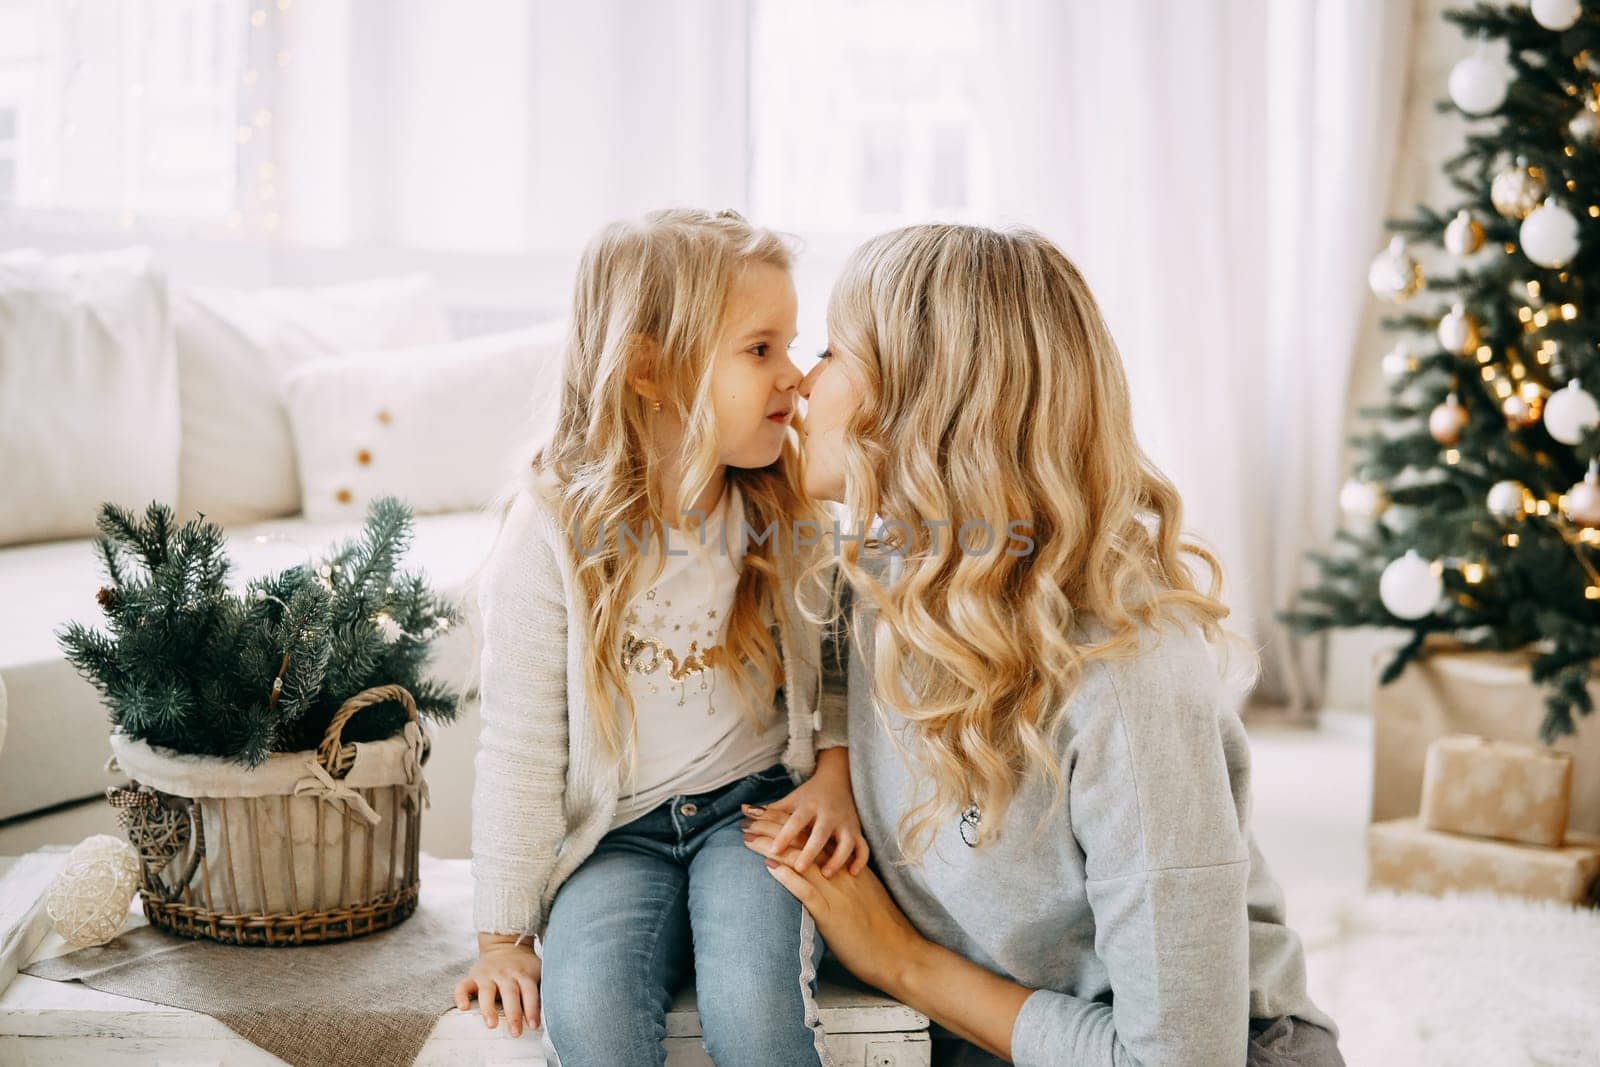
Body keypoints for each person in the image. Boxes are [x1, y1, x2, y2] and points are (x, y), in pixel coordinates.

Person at [744, 223, 1342, 1066]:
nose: (803, 380)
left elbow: (1177, 1058)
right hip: (987, 1035)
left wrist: (900, 960)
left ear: (925, 399)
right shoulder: (883, 578)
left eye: (836, 350)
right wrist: (837, 770)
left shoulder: (1129, 684)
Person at [456, 208, 866, 1066]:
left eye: (792, 346)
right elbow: (521, 745)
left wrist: (833, 772)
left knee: (754, 1007)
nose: (795, 376)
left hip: (753, 813)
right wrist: (503, 934)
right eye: (760, 350)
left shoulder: (779, 505)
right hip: (615, 836)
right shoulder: (552, 534)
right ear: (650, 368)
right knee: (593, 1016)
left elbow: (839, 662)